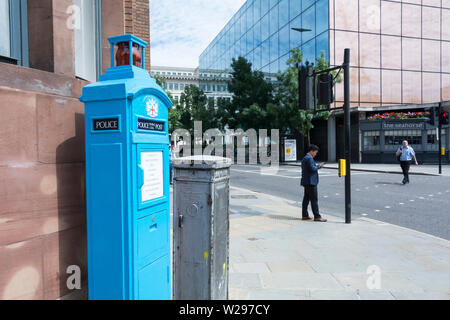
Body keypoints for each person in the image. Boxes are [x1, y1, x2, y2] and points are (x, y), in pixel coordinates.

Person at [301, 145, 327, 222]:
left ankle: (305, 215)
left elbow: (309, 168)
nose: (315, 154)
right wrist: (319, 166)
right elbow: (312, 169)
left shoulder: (305, 158)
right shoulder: (309, 158)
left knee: (306, 199)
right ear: (311, 151)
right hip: (310, 182)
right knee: (314, 200)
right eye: (315, 152)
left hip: (306, 181)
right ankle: (317, 216)